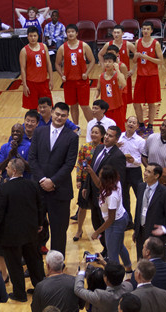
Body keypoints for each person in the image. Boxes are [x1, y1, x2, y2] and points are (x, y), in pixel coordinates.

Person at [0, 158, 45, 302]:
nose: (5, 169)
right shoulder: (32, 185)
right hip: (31, 232)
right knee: (34, 261)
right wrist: (40, 223)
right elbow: (40, 206)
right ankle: (40, 290)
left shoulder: (4, 190)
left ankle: (20, 294)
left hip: (10, 235)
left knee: (14, 265)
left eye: (7, 167)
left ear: (13, 170)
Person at [29, 102, 78, 257]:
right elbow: (32, 158)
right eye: (57, 114)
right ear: (52, 113)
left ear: (67, 117)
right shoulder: (39, 132)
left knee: (58, 232)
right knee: (35, 229)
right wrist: (43, 179)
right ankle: (34, 265)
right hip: (38, 189)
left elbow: (70, 164)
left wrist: (53, 181)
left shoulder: (72, 137)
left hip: (60, 192)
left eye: (63, 115)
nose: (59, 117)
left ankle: (57, 266)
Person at [84, 126, 128, 258]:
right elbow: (93, 169)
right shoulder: (98, 148)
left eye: (111, 136)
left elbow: (119, 179)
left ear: (117, 139)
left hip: (106, 198)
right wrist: (86, 186)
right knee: (96, 221)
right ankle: (107, 249)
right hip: (95, 194)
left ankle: (110, 253)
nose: (107, 137)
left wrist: (96, 232)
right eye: (107, 134)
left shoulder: (118, 156)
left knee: (106, 229)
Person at [87, 164, 132, 269]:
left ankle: (115, 280)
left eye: (100, 175)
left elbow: (111, 219)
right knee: (120, 246)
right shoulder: (114, 183)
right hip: (121, 217)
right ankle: (129, 269)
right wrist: (91, 171)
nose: (99, 175)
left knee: (112, 255)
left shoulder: (112, 196)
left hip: (115, 223)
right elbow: (99, 184)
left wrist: (97, 232)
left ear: (106, 179)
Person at [133, 163, 166, 259]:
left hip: (156, 236)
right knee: (141, 262)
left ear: (156, 176)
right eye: (145, 170)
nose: (145, 173)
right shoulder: (141, 187)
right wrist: (136, 230)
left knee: (154, 267)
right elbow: (138, 210)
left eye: (149, 172)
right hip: (141, 232)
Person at [55, 24, 96, 125]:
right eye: (68, 32)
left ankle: (93, 126)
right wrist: (61, 75)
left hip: (82, 82)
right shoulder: (62, 48)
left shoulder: (84, 46)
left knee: (85, 106)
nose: (70, 33)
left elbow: (92, 60)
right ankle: (76, 126)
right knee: (73, 105)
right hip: (69, 82)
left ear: (77, 33)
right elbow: (57, 63)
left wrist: (87, 73)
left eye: (72, 31)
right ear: (66, 33)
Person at [74, 123, 105, 241]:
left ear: (102, 135)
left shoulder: (104, 148)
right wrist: (78, 179)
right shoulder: (85, 147)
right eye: (92, 132)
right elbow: (80, 164)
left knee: (99, 207)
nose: (93, 134)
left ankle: (100, 230)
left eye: (96, 133)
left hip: (98, 182)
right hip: (85, 181)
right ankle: (79, 230)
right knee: (82, 206)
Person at [132, 21, 164, 135]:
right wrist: (135, 58)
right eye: (143, 28)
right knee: (136, 102)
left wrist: (147, 57)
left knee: (151, 103)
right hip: (141, 76)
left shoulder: (155, 44)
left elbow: (161, 61)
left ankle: (150, 126)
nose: (145, 31)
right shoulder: (137, 42)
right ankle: (141, 124)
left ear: (151, 31)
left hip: (152, 76)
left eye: (147, 29)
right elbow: (135, 60)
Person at [98, 24, 136, 106]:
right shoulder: (108, 44)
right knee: (110, 98)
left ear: (123, 34)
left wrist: (133, 70)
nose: (116, 34)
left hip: (123, 76)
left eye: (118, 33)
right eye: (114, 32)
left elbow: (138, 56)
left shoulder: (128, 44)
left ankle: (122, 117)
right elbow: (100, 54)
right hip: (110, 75)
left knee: (124, 100)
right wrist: (103, 66)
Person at [118, 116, 145, 224]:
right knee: (124, 197)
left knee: (140, 196)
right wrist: (115, 146)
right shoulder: (119, 138)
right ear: (125, 124)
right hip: (122, 171)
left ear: (137, 126)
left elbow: (143, 158)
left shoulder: (141, 141)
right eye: (130, 122)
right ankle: (128, 222)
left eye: (134, 123)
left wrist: (134, 160)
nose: (131, 124)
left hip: (135, 171)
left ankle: (140, 221)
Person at [20, 27, 53, 110]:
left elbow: (49, 64)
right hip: (31, 84)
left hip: (43, 83)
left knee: (48, 108)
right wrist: (24, 85)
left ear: (38, 36)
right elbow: (23, 69)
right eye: (30, 36)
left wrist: (51, 79)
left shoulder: (44, 46)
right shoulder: (24, 51)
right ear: (27, 37)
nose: (33, 38)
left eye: (35, 36)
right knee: (33, 110)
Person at [96, 53, 126, 129]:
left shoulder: (118, 75)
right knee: (106, 130)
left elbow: (123, 84)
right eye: (106, 62)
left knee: (120, 129)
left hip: (117, 108)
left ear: (114, 63)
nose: (107, 64)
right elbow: (98, 89)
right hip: (105, 109)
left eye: (109, 61)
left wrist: (118, 70)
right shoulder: (101, 76)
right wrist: (95, 98)